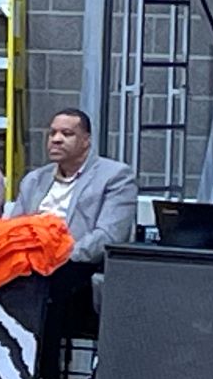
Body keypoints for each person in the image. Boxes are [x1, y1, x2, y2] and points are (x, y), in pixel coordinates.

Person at [9, 108, 137, 264]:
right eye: (52, 133)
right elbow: (13, 229)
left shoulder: (115, 176)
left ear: (86, 140)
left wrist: (58, 258)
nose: (56, 139)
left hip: (75, 266)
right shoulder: (34, 179)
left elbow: (109, 235)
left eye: (67, 134)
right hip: (27, 265)